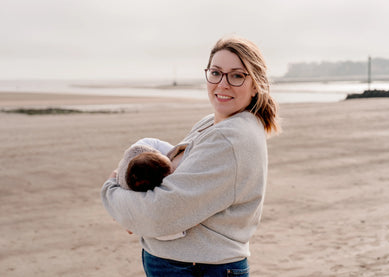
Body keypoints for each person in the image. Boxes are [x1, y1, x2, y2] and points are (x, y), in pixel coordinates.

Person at [101, 35, 279, 277]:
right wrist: (134, 214)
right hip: (190, 265)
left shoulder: (230, 137)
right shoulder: (214, 123)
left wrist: (112, 191)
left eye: (237, 75)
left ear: (256, 83)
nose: (222, 84)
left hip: (197, 268)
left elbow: (160, 213)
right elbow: (173, 174)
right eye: (216, 73)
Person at [115, 138, 186, 241]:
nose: (174, 169)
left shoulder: (145, 148)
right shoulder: (129, 185)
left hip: (145, 149)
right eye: (172, 170)